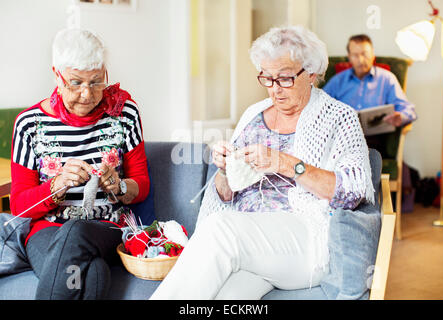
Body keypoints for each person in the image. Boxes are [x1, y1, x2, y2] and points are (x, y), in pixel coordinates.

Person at [150, 25, 375, 300]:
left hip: (304, 242)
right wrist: (224, 171)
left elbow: (353, 191)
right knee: (225, 297)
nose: (274, 90)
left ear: (312, 73)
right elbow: (224, 194)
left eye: (285, 79)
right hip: (248, 247)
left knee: (220, 227)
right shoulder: (253, 115)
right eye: (267, 78)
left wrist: (285, 163)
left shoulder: (339, 117)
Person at [10, 28, 150, 300]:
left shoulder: (125, 114)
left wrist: (119, 186)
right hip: (47, 230)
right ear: (56, 75)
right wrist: (56, 185)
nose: (87, 94)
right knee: (95, 273)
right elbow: (19, 206)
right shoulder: (29, 125)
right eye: (76, 83)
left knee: (76, 230)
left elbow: (142, 185)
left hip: (108, 229)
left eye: (97, 82)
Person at [323, 34, 417, 127]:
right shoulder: (337, 81)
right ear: (349, 57)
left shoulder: (387, 79)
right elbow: (319, 107)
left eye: (365, 54)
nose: (360, 60)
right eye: (355, 55)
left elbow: (409, 110)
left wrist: (401, 117)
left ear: (373, 54)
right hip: (342, 137)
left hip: (376, 138)